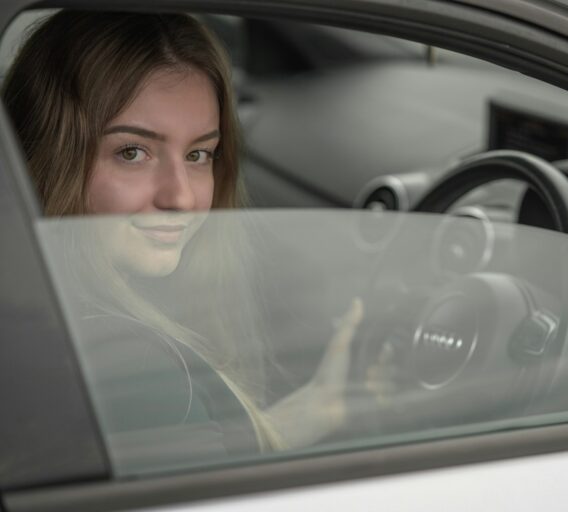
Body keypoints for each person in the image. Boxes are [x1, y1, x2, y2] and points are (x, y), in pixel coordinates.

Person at [2, 10, 363, 460]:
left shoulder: (48, 324)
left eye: (199, 154)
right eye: (132, 152)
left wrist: (316, 410)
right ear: (51, 157)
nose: (183, 198)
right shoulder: (130, 365)